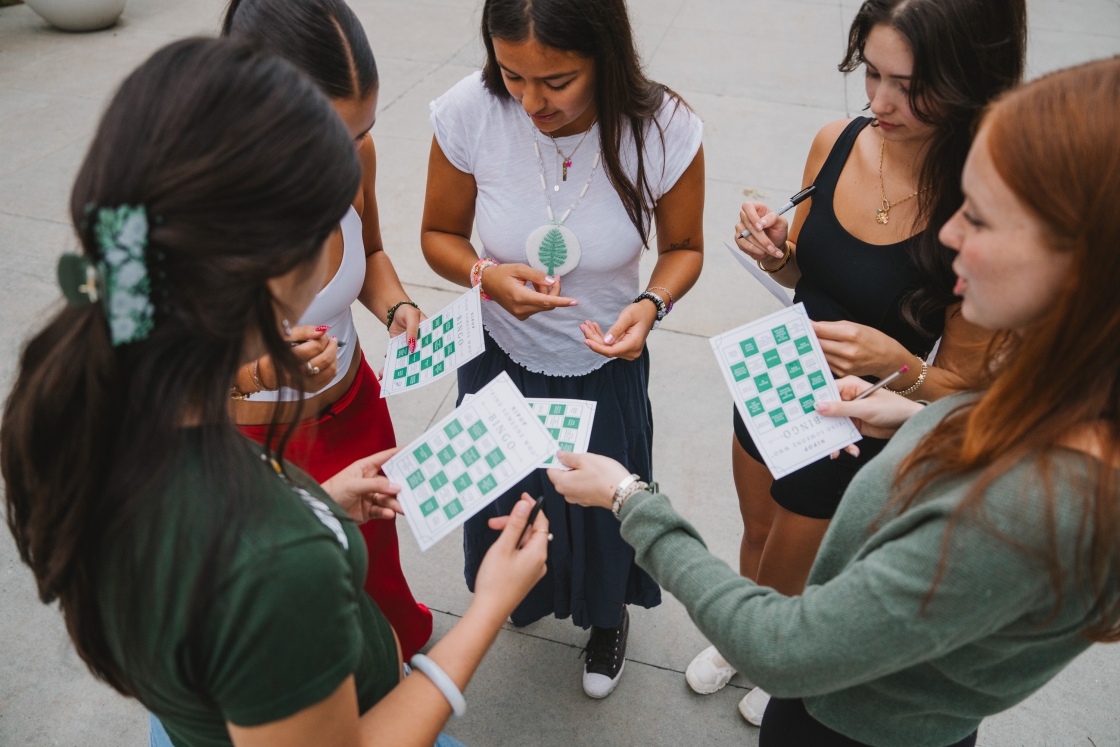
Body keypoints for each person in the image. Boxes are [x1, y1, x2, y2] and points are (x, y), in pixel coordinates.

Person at [549, 55, 1120, 747]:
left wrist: (628, 497)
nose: (948, 234)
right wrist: (919, 415)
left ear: (1086, 260)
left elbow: (785, 648)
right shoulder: (1072, 409)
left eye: (983, 217)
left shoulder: (1020, 514)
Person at [1, 38, 549, 747]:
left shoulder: (91, 411)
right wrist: (488, 607)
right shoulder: (272, 565)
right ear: (285, 260)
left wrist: (319, 502)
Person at [693, 0, 1027, 722]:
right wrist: (777, 252)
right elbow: (802, 273)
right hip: (775, 374)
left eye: (909, 85)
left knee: (795, 557)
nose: (880, 101)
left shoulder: (979, 199)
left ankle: (774, 651)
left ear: (968, 76)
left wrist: (897, 360)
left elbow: (963, 387)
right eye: (871, 73)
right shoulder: (835, 141)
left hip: (857, 422)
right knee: (754, 532)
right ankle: (742, 636)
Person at [419, 0, 704, 698]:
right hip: (499, 358)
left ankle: (607, 619)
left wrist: (649, 304)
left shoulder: (662, 127)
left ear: (605, 55)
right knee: (506, 500)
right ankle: (515, 594)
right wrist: (485, 277)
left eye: (556, 80)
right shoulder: (469, 110)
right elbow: (437, 234)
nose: (530, 100)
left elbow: (686, 249)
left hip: (604, 361)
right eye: (511, 74)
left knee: (603, 505)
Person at [221, 0, 433, 659]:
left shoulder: (356, 155)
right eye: (325, 139)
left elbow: (369, 253)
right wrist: (260, 366)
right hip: (255, 445)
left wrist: (396, 305)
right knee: (294, 610)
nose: (346, 156)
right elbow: (149, 372)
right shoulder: (198, 201)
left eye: (361, 131)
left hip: (355, 409)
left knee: (373, 567)